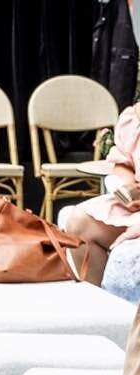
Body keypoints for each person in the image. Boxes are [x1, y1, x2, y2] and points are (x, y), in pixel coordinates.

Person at [59, 105, 140, 296]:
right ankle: (103, 313)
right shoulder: (134, 117)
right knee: (80, 222)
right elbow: (123, 164)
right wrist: (128, 189)